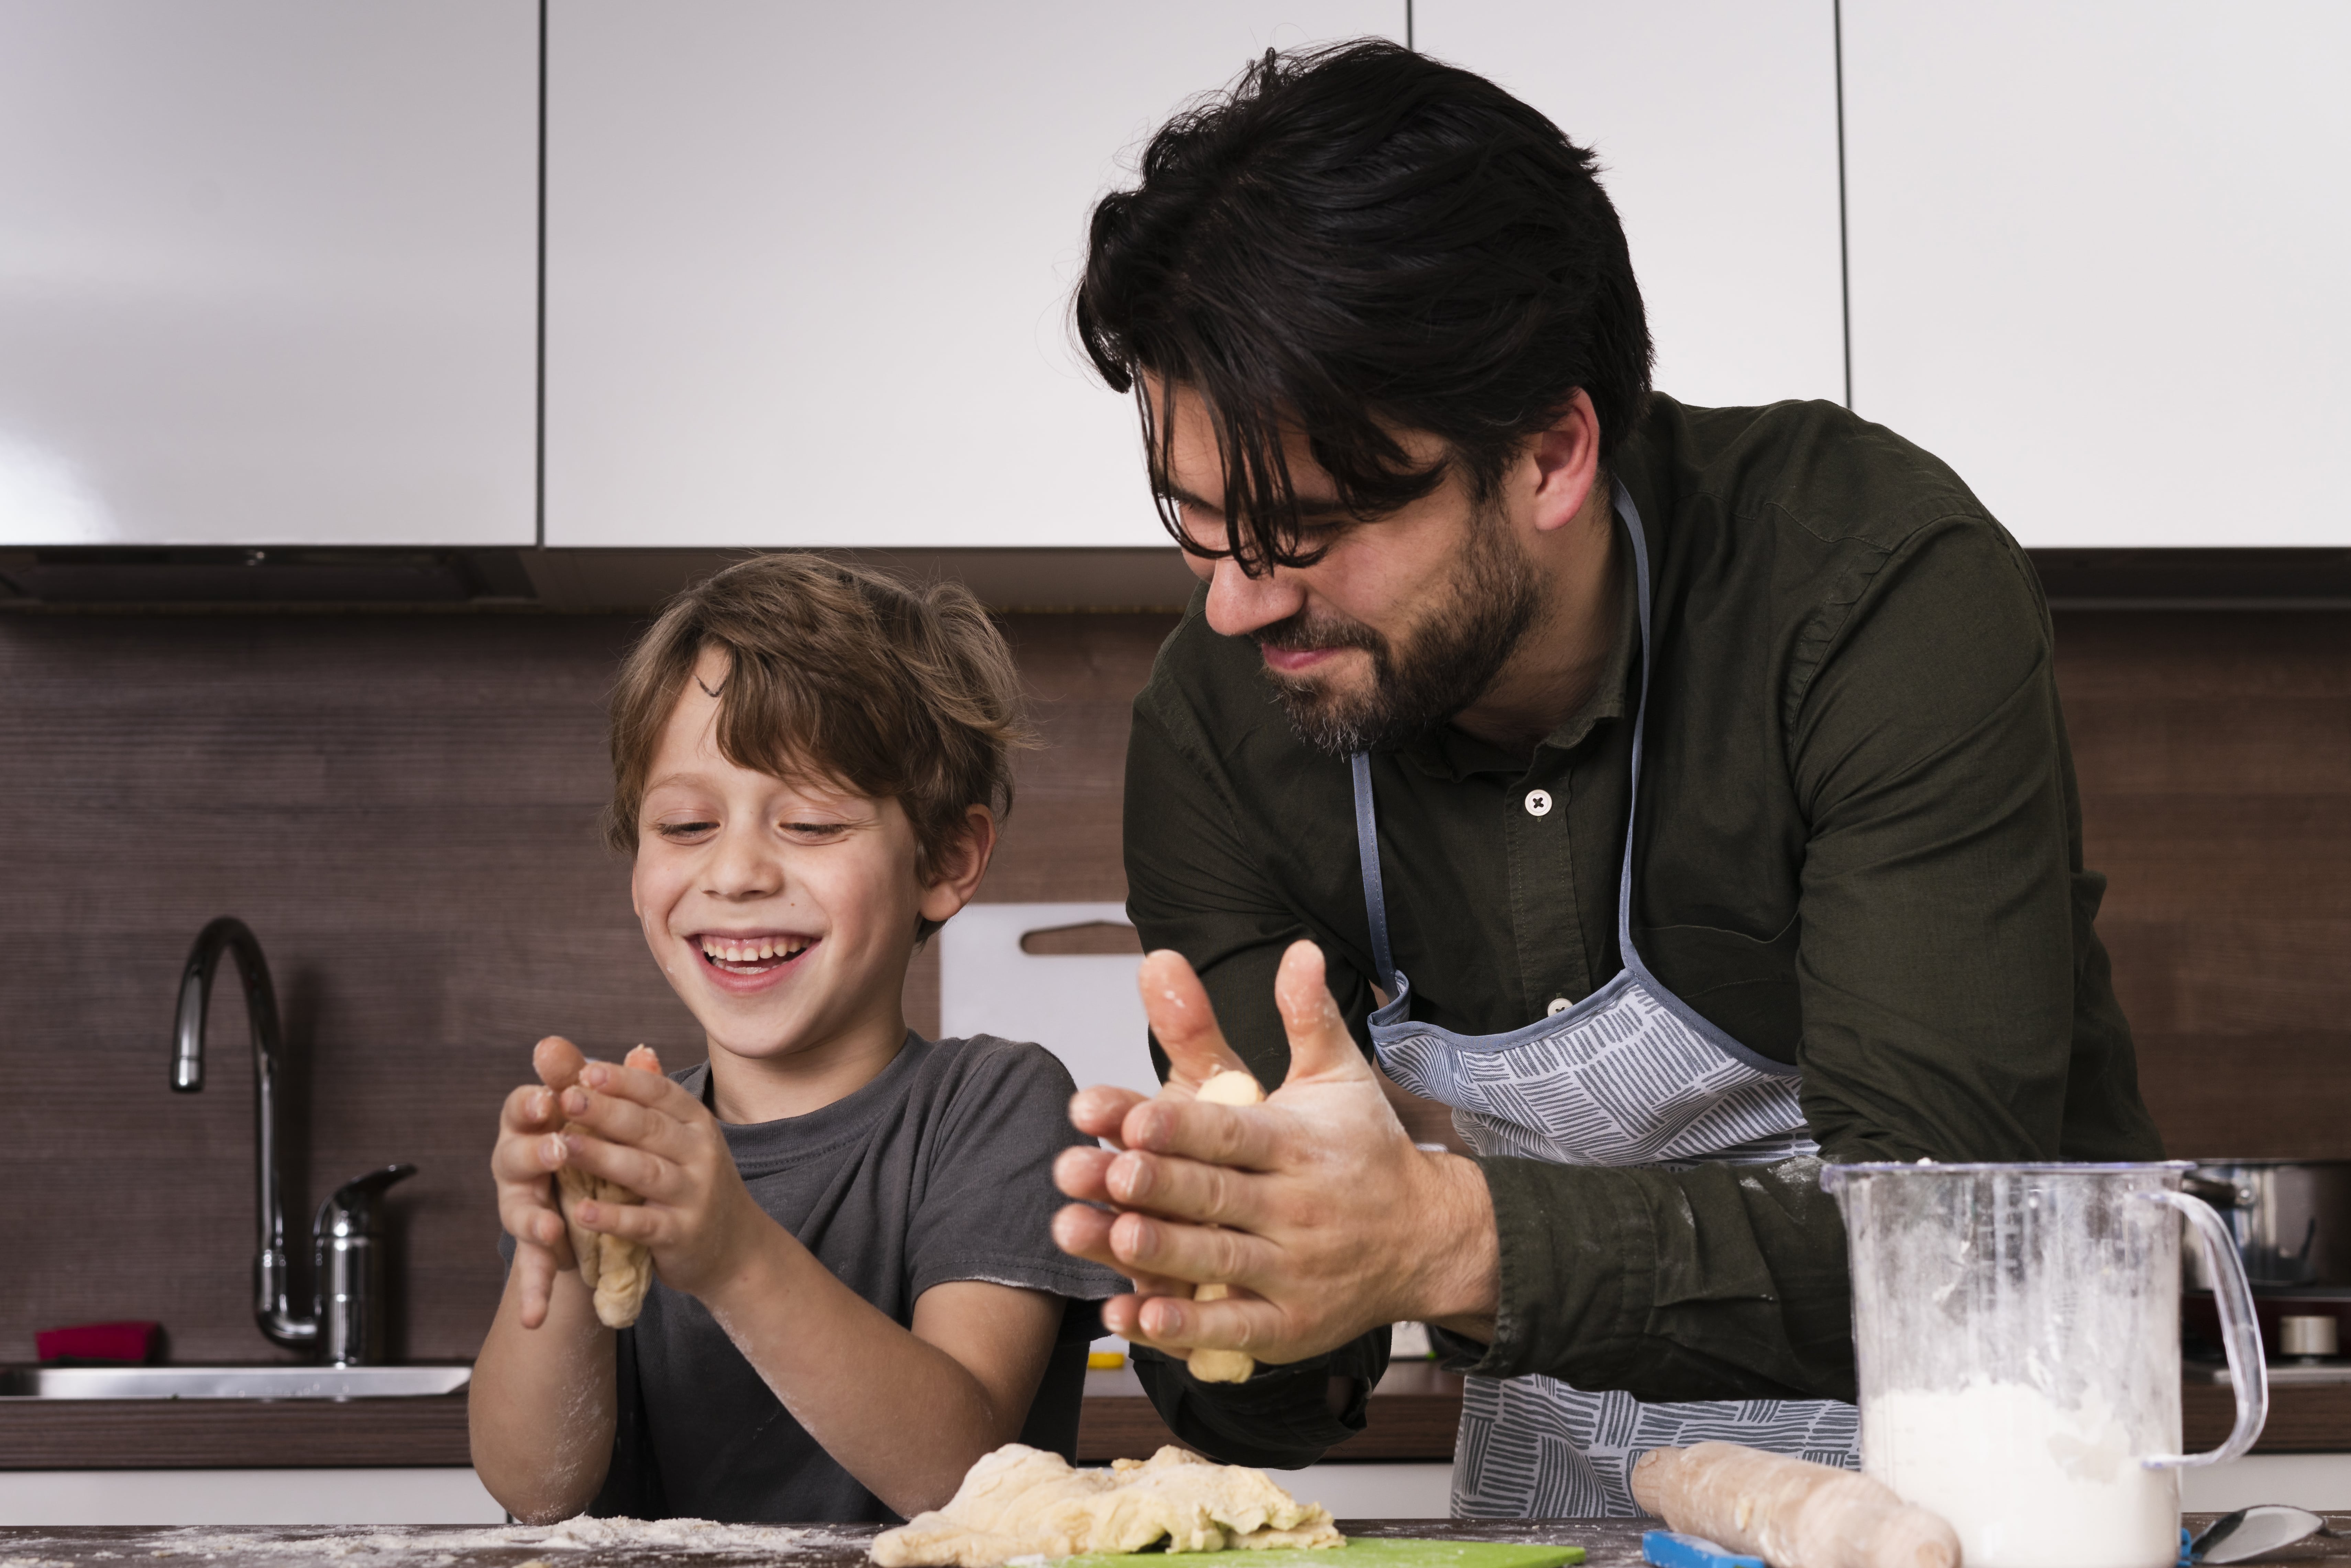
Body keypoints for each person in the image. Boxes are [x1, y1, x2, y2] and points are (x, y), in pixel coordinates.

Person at [1048, 41, 2163, 1516]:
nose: (1239, 604)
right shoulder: (1223, 723)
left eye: (1306, 530)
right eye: (1197, 524)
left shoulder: (1869, 587)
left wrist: (1446, 1235)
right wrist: (1225, 1283)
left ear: (1552, 453)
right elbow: (1290, 1390)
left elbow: (1940, 1244)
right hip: (1553, 1517)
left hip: (1998, 1495)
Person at [472, 556, 1122, 1524]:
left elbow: (965, 1479)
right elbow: (536, 1488)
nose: (735, 872)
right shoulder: (630, 1147)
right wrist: (565, 1260)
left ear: (944, 860)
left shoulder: (996, 1107)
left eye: (811, 821)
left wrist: (735, 1256)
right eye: (688, 823)